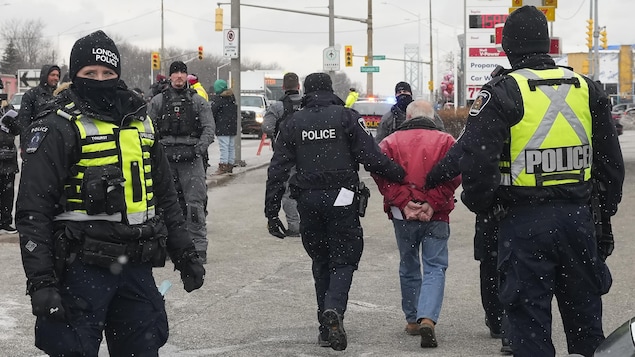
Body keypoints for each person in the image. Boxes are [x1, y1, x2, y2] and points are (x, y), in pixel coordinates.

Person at [16, 30, 205, 356]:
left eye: (107, 73)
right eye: (90, 73)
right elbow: (34, 210)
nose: (100, 79)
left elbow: (166, 196)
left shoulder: (141, 122)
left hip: (136, 266)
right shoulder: (58, 125)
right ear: (75, 75)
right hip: (80, 268)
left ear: (118, 73)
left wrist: (185, 252)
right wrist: (41, 281)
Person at [458, 6, 624, 357]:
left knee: (529, 328)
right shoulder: (586, 88)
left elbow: (475, 162)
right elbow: (611, 163)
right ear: (546, 44)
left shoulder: (500, 93)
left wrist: (487, 206)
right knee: (587, 326)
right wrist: (603, 211)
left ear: (506, 47)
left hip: (523, 224)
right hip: (579, 220)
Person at [264, 72, 406, 351]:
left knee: (320, 260)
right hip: (342, 198)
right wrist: (402, 174)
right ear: (330, 90)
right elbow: (371, 156)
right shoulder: (346, 117)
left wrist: (271, 212)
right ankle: (334, 310)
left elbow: (277, 169)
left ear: (306, 91)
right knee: (344, 259)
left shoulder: (294, 122)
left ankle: (324, 328)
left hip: (308, 201)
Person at [371, 99, 460, 348]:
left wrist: (403, 202)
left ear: (407, 118)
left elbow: (380, 173)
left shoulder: (390, 142)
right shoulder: (446, 142)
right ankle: (427, 318)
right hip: (437, 214)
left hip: (403, 215)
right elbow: (455, 173)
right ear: (432, 118)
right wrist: (432, 202)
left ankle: (412, 319)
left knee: (408, 264)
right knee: (434, 267)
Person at [426, 133, 511, 355]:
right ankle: (512, 327)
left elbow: (458, 156)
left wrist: (430, 180)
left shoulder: (491, 109)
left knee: (491, 264)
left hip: (493, 207)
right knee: (521, 266)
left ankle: (499, 323)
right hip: (529, 204)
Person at [148, 61, 215, 264]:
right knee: (167, 205)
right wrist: (156, 153)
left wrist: (197, 150)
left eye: (182, 73)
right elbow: (147, 129)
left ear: (187, 76)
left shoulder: (197, 101)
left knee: (194, 204)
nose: (178, 76)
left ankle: (198, 246)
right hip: (165, 159)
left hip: (191, 160)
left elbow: (209, 128)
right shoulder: (158, 101)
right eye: (175, 73)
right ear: (170, 76)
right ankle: (169, 244)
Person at [262, 72, 302, 236]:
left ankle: (294, 226)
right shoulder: (307, 104)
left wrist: (279, 137)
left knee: (288, 190)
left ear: (283, 87)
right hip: (308, 153)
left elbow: (267, 127)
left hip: (285, 155)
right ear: (299, 87)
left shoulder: (277, 107)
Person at [375, 81, 444, 143]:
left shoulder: (425, 111)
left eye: (405, 91)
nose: (402, 94)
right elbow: (380, 141)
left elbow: (440, 133)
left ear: (410, 94)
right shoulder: (389, 118)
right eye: (399, 92)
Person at [0, 87, 20, 234]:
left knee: (7, 191)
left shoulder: (8, 108)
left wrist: (9, 119)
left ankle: (6, 221)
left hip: (8, 157)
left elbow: (17, 129)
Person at [17, 64, 60, 130]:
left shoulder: (60, 94)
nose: (56, 78)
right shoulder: (31, 95)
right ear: (45, 76)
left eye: (57, 75)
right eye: (52, 75)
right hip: (37, 136)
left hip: (56, 136)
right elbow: (24, 122)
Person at [210, 79, 236, 175]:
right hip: (231, 126)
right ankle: (230, 164)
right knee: (230, 146)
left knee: (224, 146)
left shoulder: (218, 99)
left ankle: (223, 165)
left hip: (222, 126)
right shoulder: (231, 98)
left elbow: (213, 112)